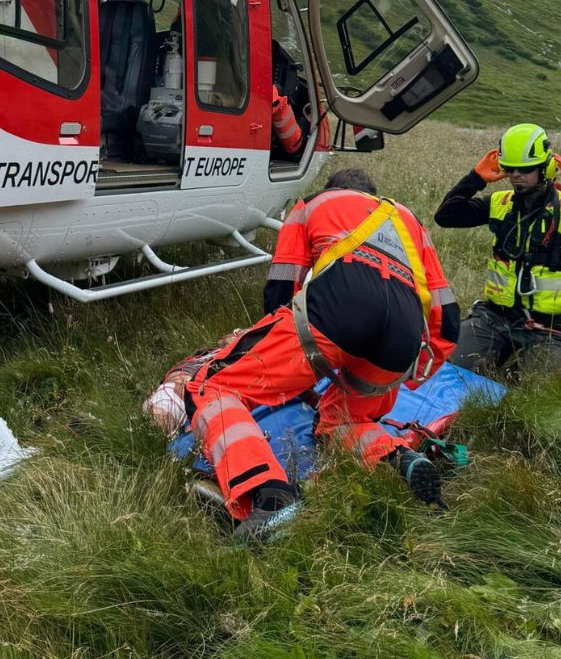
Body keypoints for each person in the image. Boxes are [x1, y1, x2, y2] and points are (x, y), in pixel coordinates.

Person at [183, 168, 459, 541]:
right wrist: (408, 376)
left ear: (335, 189)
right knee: (343, 420)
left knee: (214, 388)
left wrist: (289, 367)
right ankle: (397, 458)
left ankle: (267, 496)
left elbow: (281, 289)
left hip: (340, 309)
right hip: (402, 341)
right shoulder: (412, 224)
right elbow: (449, 321)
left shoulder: (312, 204)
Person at [434, 123, 561, 374]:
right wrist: (475, 179)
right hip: (493, 318)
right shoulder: (499, 203)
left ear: (547, 167)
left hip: (549, 329)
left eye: (524, 169)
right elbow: (445, 217)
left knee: (539, 400)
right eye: (509, 168)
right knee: (448, 373)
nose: (515, 175)